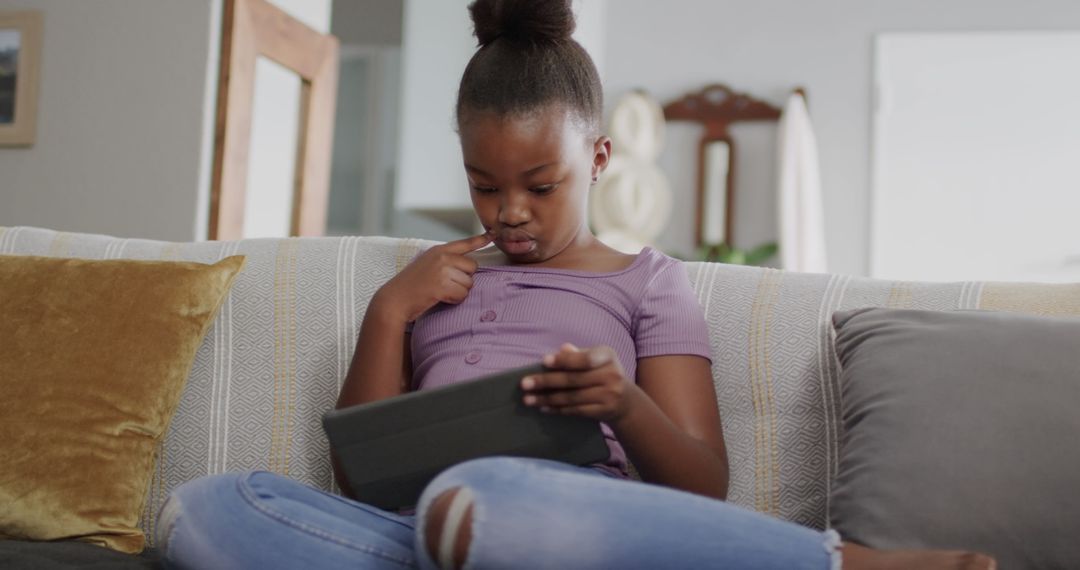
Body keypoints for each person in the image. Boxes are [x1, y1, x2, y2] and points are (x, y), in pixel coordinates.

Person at [155, 1, 996, 569]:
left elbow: (706, 481)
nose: (510, 211)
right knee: (209, 506)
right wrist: (391, 309)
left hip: (562, 515)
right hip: (418, 524)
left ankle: (838, 564)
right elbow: (354, 476)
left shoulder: (647, 281)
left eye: (541, 185)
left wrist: (619, 403)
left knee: (480, 496)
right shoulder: (431, 285)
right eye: (485, 184)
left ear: (597, 159)